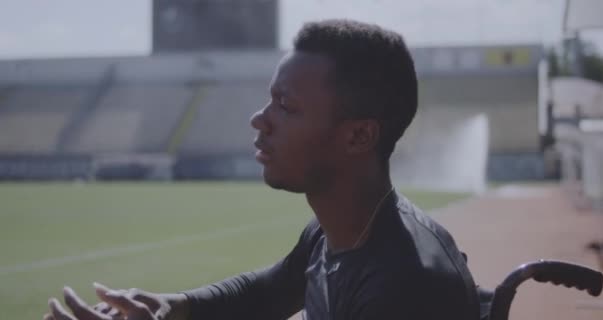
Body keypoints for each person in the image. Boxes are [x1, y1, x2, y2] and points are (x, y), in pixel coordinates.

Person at [44, 19, 480, 320]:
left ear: (359, 136)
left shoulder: (407, 288)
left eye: (286, 106)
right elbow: (268, 291)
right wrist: (167, 306)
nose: (260, 119)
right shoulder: (336, 233)